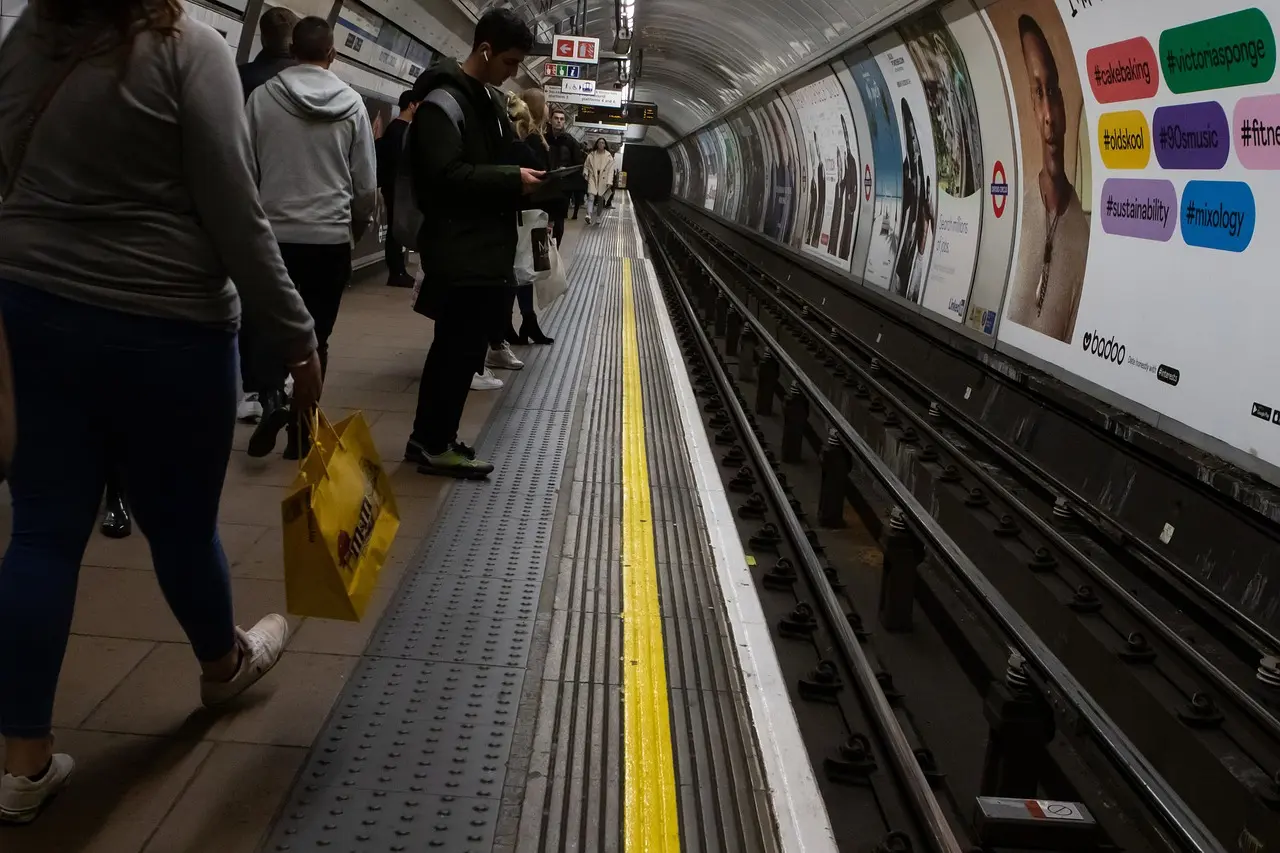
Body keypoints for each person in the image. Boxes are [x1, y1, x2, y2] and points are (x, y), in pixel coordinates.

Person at [0, 0, 322, 825]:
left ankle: (22, 763)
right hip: (169, 326)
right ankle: (222, 667)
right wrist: (294, 334)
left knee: (41, 531)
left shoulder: (30, 35)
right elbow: (233, 210)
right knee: (180, 524)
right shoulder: (190, 49)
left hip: (34, 313)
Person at [403, 7, 542, 478]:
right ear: (485, 49)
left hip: (482, 249)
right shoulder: (445, 102)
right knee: (454, 352)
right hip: (458, 250)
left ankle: (434, 438)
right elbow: (442, 178)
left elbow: (490, 162)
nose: (513, 73)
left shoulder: (487, 101)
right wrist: (509, 179)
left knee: (461, 354)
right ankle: (432, 443)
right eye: (509, 62)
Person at [245, 15, 377, 460]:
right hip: (329, 237)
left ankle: (272, 399)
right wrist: (354, 228)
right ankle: (302, 431)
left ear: (291, 50)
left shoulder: (262, 98)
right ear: (332, 54)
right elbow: (364, 185)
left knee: (269, 327)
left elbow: (245, 169)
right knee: (316, 335)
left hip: (273, 237)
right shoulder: (354, 104)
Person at [1005, 13, 1088, 344]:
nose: (1049, 116)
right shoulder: (1014, 214)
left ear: (1065, 106)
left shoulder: (1084, 241)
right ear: (1032, 104)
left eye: (1052, 91)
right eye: (1039, 93)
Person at [236, 4, 300, 423]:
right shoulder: (307, 83)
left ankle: (253, 388)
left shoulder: (239, 78)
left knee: (249, 297)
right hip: (296, 207)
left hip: (247, 202)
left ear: (260, 38)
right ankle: (282, 378)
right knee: (288, 292)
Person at [506, 88, 556, 346]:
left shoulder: (534, 136)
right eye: (546, 104)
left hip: (530, 213)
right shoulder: (531, 139)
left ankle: (527, 320)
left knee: (524, 270)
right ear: (538, 107)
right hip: (526, 214)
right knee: (520, 269)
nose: (549, 109)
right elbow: (537, 174)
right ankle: (509, 324)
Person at [377, 89, 420, 289]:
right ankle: (396, 272)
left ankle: (398, 270)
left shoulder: (396, 128)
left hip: (393, 185)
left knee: (398, 228)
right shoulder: (400, 130)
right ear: (411, 105)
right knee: (396, 229)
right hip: (396, 186)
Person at [545, 108, 581, 244]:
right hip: (546, 184)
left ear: (564, 122)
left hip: (563, 186)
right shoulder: (544, 138)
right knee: (544, 218)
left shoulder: (570, 141)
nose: (559, 121)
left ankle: (556, 248)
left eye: (561, 119)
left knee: (559, 221)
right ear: (550, 120)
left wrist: (566, 170)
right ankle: (543, 251)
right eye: (556, 118)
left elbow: (577, 163)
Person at [583, 138, 614, 226]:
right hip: (593, 176)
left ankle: (598, 216)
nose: (601, 144)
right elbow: (586, 165)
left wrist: (609, 181)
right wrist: (585, 173)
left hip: (603, 178)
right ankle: (589, 214)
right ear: (596, 144)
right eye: (599, 142)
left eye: (603, 142)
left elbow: (611, 170)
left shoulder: (609, 156)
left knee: (601, 198)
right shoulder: (591, 155)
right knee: (591, 196)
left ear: (605, 145)